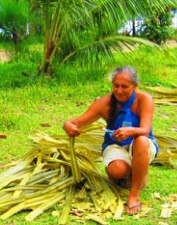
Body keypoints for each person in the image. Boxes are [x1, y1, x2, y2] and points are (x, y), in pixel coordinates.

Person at [62, 66, 158, 215]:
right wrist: (69, 126)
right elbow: (75, 122)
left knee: (141, 141)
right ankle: (131, 173)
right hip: (116, 145)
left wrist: (130, 131)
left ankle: (134, 194)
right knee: (117, 170)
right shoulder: (104, 102)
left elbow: (145, 130)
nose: (119, 90)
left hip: (140, 145)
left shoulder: (145, 99)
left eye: (124, 86)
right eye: (116, 86)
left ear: (135, 86)